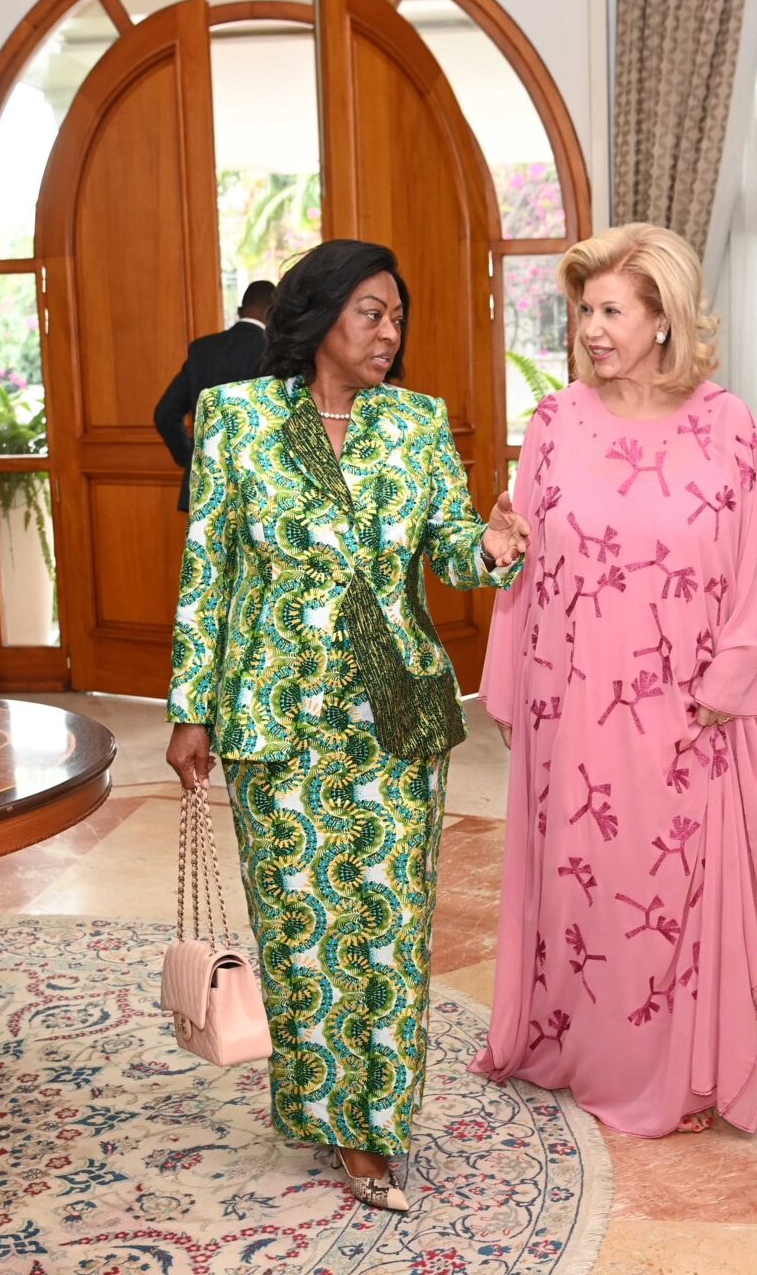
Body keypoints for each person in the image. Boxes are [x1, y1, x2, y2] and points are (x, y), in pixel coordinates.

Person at [164, 239, 531, 1210]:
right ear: (319, 314)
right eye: (371, 311)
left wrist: (492, 545)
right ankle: (324, 1113)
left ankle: (378, 1124)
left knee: (390, 926)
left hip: (394, 716)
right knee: (301, 930)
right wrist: (190, 706)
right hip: (274, 717)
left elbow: (449, 546)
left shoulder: (415, 422)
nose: (388, 331)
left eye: (396, 316)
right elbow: (208, 571)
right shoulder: (236, 417)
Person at [470, 223, 757, 1137]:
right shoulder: (554, 424)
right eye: (584, 311)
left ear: (664, 318)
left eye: (611, 311)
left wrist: (730, 682)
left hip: (688, 712)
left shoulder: (728, 425)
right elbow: (522, 555)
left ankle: (673, 1072)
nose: (591, 329)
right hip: (572, 704)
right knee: (581, 891)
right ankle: (577, 1049)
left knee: (666, 897)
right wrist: (500, 560)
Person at [154, 281, 276, 512]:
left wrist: (190, 457)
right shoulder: (272, 351)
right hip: (253, 489)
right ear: (272, 313)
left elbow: (165, 414)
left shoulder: (202, 350)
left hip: (204, 485)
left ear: (239, 310)